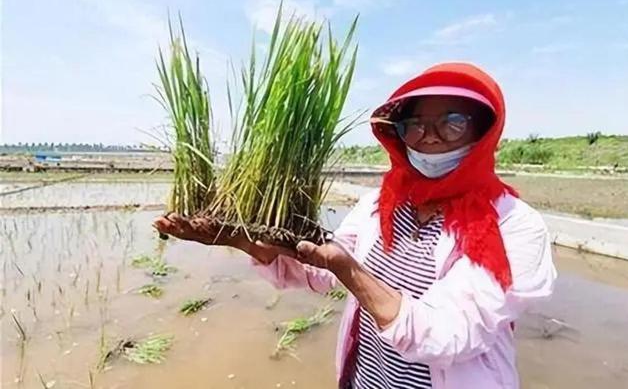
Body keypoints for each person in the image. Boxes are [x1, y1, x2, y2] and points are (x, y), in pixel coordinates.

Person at [154, 62, 557, 389]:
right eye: (415, 125)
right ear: (398, 135)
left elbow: (449, 334)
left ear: (485, 131)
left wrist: (349, 269)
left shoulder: (511, 226)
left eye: (452, 123)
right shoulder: (379, 206)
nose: (429, 138)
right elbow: (319, 272)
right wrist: (242, 240)